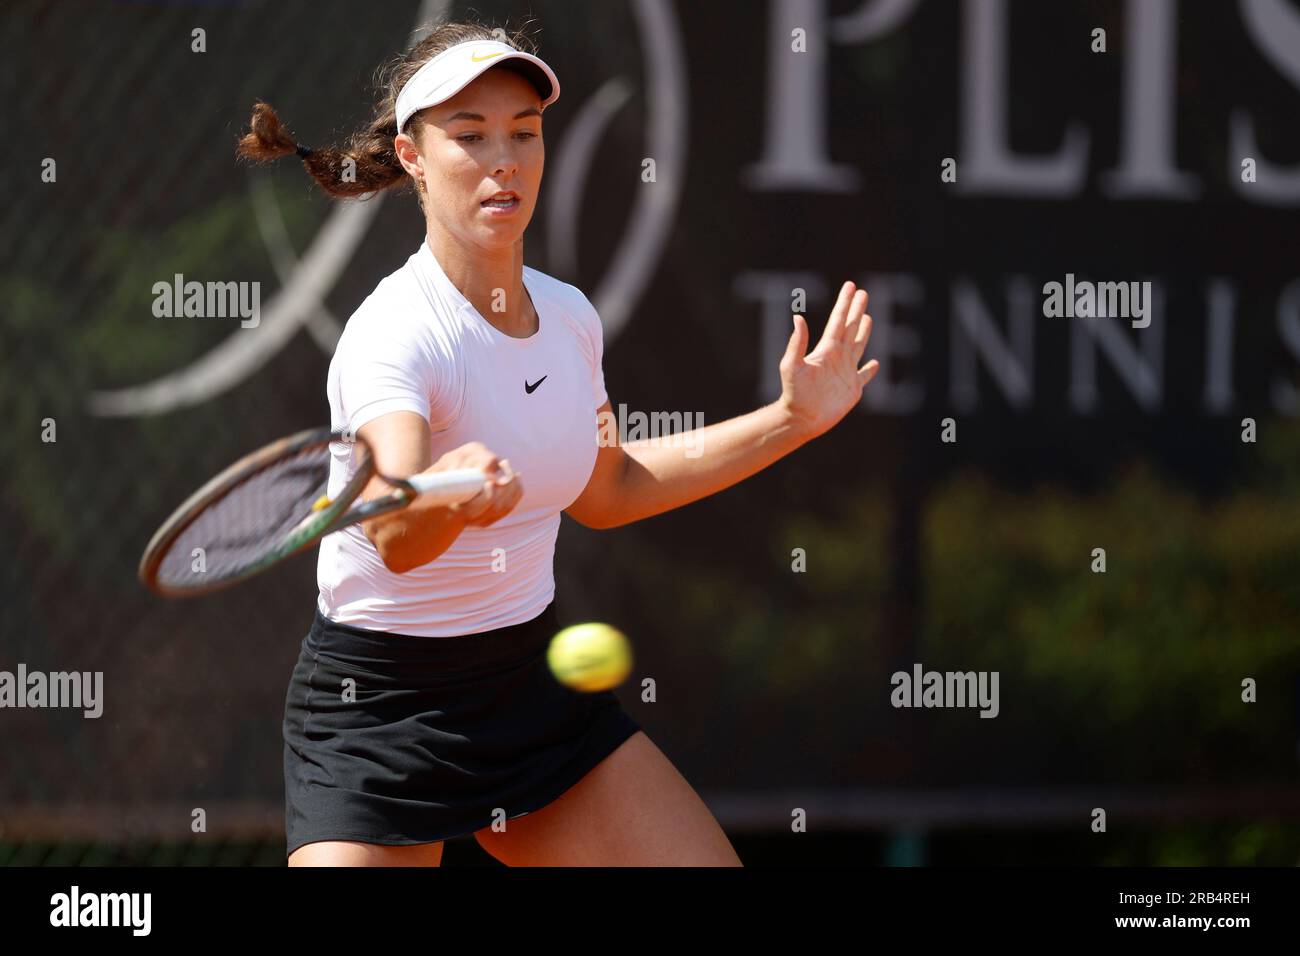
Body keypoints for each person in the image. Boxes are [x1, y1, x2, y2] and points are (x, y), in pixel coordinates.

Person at [236, 18, 878, 867]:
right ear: (414, 156)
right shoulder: (392, 335)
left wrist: (792, 419)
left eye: (524, 134)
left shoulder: (571, 318)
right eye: (469, 137)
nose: (503, 160)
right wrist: (449, 496)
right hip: (379, 711)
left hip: (528, 692)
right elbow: (394, 534)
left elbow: (607, 489)